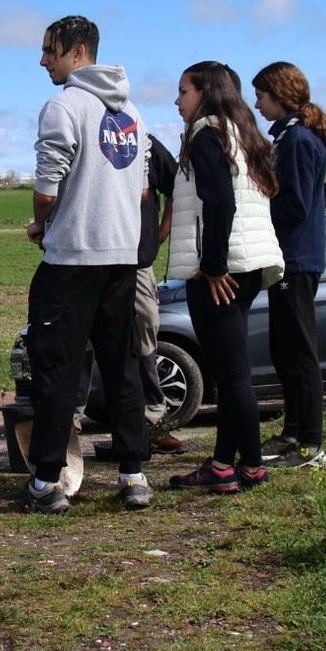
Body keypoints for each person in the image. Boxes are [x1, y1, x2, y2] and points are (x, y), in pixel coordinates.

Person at [22, 15, 150, 514]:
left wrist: (40, 224)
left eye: (49, 50)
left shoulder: (63, 106)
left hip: (72, 259)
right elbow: (140, 190)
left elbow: (46, 188)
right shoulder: (133, 110)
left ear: (78, 52)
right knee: (124, 369)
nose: (42, 60)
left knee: (55, 371)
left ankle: (47, 482)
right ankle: (134, 476)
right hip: (123, 258)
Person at [166, 61, 284, 494]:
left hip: (222, 268)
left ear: (206, 93)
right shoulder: (243, 133)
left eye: (183, 91)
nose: (177, 100)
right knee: (234, 371)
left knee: (233, 376)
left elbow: (220, 203)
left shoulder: (205, 134)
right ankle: (221, 465)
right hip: (252, 264)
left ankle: (250, 466)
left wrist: (213, 266)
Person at [252, 61, 326, 470]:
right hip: (288, 256)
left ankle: (311, 444)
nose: (257, 104)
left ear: (281, 95)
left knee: (300, 351)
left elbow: (296, 204)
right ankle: (293, 429)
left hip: (297, 257)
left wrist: (260, 199)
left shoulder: (298, 140)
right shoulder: (288, 137)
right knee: (283, 348)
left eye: (262, 96)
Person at [137, 133, 184, 453]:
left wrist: (163, 229)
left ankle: (152, 423)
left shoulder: (144, 142)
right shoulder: (83, 134)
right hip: (92, 265)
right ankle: (70, 426)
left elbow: (177, 186)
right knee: (86, 346)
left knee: (145, 337)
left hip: (138, 264)